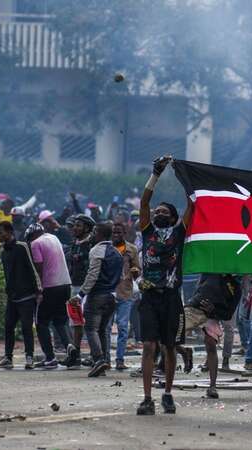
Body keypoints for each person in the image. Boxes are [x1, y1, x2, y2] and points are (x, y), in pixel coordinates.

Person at [136, 155, 193, 416]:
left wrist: (189, 179)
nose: (157, 214)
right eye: (156, 212)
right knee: (149, 346)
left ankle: (168, 393)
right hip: (149, 296)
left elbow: (193, 204)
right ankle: (147, 398)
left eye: (163, 213)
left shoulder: (179, 234)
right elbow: (144, 201)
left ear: (173, 219)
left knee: (170, 347)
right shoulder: (147, 232)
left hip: (171, 298)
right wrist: (155, 174)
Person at [72, 221, 123, 377]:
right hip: (112, 296)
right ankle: (105, 359)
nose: (92, 235)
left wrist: (81, 294)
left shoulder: (97, 250)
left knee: (91, 329)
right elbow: (120, 277)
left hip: (98, 295)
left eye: (94, 232)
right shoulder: (116, 252)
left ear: (99, 234)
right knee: (102, 329)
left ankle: (99, 359)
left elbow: (93, 274)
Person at [183, 274, 241, 398]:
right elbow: (198, 290)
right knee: (168, 339)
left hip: (212, 315)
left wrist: (213, 310)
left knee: (211, 345)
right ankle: (184, 352)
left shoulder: (236, 287)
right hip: (194, 310)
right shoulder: (210, 271)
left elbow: (228, 314)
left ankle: (212, 387)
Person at [0, 221, 41, 370]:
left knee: (26, 327)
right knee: (8, 326)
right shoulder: (4, 252)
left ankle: (29, 357)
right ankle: (8, 357)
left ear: (9, 232)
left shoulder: (22, 247)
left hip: (27, 296)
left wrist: (38, 290)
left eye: (1, 232)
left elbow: (32, 268)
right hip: (12, 296)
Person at [27, 223, 74, 369]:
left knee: (41, 322)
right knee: (61, 320)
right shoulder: (54, 238)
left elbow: (39, 268)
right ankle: (71, 349)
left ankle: (50, 357)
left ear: (31, 236)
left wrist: (38, 290)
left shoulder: (35, 243)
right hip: (65, 284)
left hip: (50, 286)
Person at [106, 221, 141, 371]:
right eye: (114, 232)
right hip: (107, 293)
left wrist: (134, 271)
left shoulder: (131, 249)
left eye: (119, 233)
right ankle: (105, 359)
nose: (116, 235)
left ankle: (120, 359)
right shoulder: (106, 249)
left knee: (122, 327)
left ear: (124, 234)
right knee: (106, 328)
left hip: (125, 293)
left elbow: (137, 269)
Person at [63, 214, 96, 368]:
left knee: (89, 322)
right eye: (74, 225)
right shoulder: (74, 244)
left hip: (87, 289)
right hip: (74, 285)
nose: (75, 228)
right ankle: (75, 355)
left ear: (87, 228)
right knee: (75, 321)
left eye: (78, 225)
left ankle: (94, 355)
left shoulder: (91, 245)